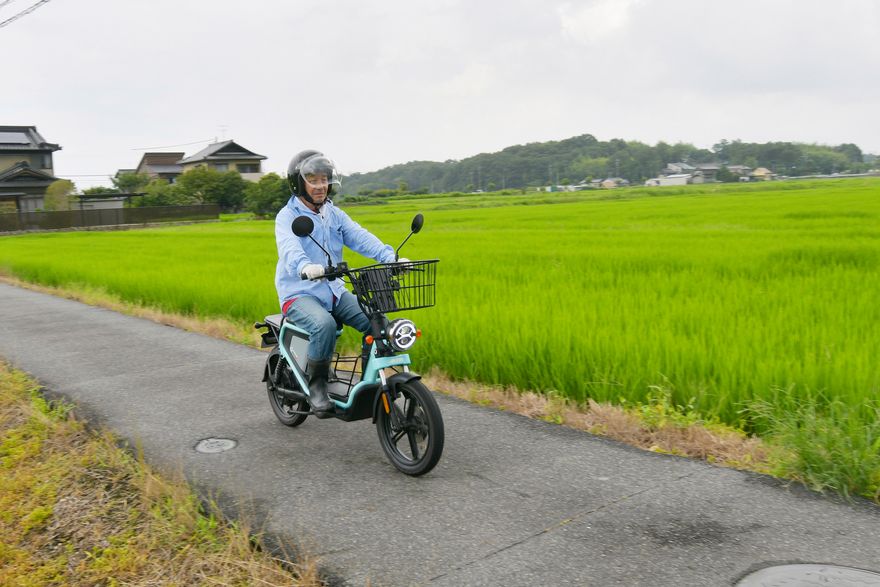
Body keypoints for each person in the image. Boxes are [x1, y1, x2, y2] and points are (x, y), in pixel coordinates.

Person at [274, 150, 402, 418]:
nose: (320, 186)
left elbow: (360, 237)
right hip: (299, 293)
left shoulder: (333, 214)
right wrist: (305, 267)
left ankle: (371, 382)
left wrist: (391, 257)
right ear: (299, 183)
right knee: (324, 325)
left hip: (332, 290)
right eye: (313, 180)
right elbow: (289, 248)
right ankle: (317, 386)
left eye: (324, 180)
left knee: (376, 320)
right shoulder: (286, 217)